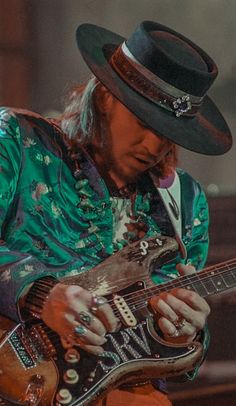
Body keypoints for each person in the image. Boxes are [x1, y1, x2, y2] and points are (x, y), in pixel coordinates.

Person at [0, 21, 232, 406]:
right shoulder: (18, 142)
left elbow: (171, 354)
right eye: (144, 121)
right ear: (105, 97)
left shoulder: (185, 202)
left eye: (169, 133)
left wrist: (181, 335)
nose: (154, 145)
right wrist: (40, 293)